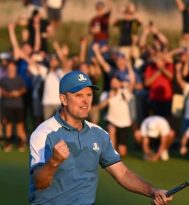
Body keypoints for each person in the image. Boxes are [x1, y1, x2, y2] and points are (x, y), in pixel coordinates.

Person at [29, 70, 173, 205]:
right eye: (79, 95)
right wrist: (53, 162)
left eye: (89, 95)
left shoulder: (99, 134)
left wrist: (153, 191)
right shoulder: (43, 133)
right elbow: (39, 183)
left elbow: (123, 174)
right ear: (63, 99)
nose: (86, 101)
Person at [0, 60, 27, 152]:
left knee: (20, 125)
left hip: (18, 106)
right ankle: (8, 144)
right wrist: (9, 94)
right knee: (8, 125)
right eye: (10, 67)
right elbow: (1, 91)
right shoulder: (4, 79)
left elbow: (24, 89)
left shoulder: (19, 78)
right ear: (8, 69)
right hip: (7, 105)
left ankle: (21, 144)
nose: (11, 69)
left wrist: (18, 93)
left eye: (13, 67)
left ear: (15, 68)